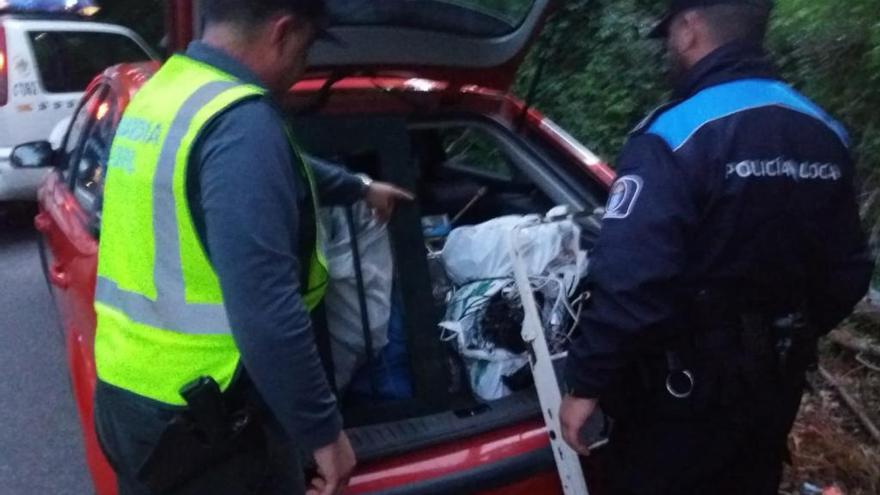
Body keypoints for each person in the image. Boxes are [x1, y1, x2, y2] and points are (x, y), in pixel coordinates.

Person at [92, 1, 413, 494]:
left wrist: (357, 187)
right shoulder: (240, 121)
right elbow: (266, 309)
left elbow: (254, 173)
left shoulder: (169, 91)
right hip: (209, 423)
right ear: (283, 32)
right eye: (307, 50)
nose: (304, 66)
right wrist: (323, 433)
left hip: (130, 397)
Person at [559, 1, 874, 494]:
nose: (668, 50)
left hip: (677, 403)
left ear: (688, 30)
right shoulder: (823, 131)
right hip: (774, 389)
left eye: (668, 38)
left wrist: (586, 384)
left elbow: (630, 280)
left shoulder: (673, 135)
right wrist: (779, 335)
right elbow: (849, 272)